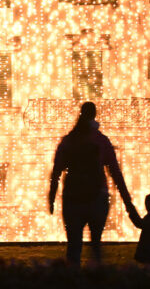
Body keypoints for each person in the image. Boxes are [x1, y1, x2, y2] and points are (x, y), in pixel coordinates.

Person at [48, 101, 133, 266]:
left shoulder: (69, 140)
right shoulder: (101, 141)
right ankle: (96, 275)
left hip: (73, 196)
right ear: (94, 115)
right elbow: (115, 172)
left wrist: (51, 196)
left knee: (74, 245)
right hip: (97, 195)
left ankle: (73, 279)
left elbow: (56, 171)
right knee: (96, 244)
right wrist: (128, 201)